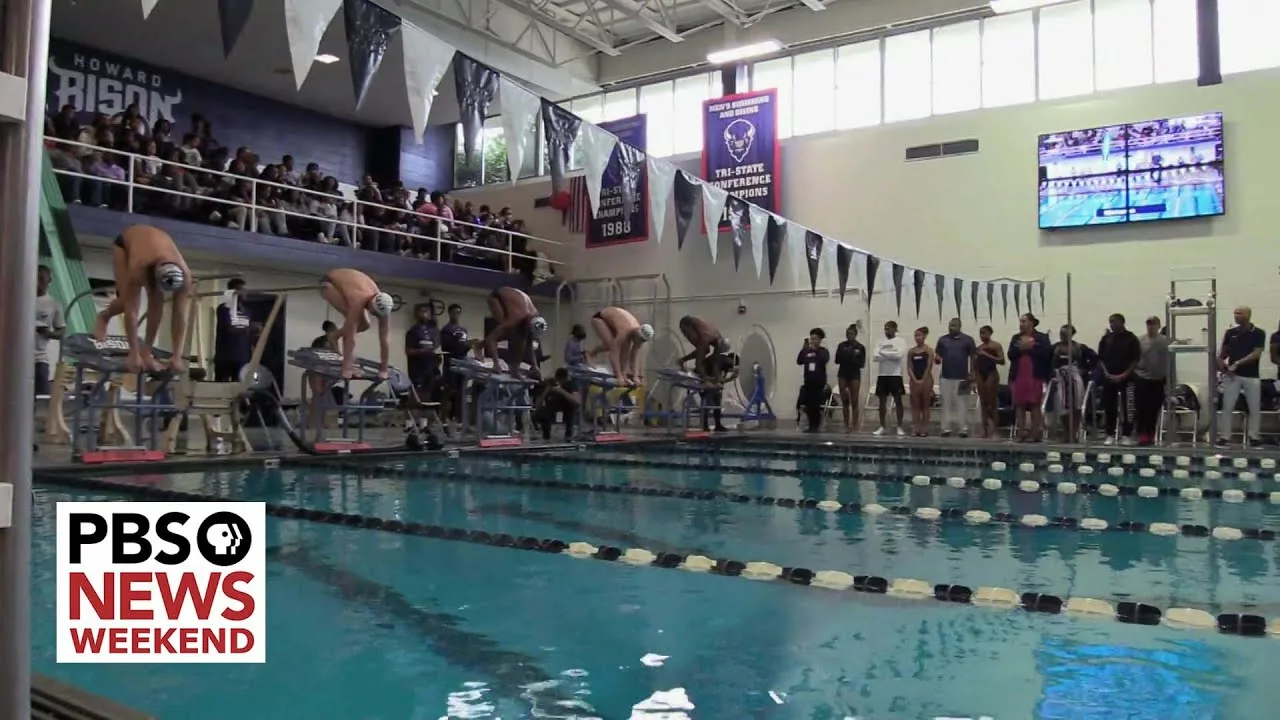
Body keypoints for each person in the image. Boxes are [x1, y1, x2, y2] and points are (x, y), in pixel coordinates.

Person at [93, 224, 193, 373]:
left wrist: (177, 356)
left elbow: (180, 317)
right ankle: (103, 317)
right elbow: (131, 311)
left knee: (156, 299)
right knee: (124, 301)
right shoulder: (140, 264)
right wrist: (133, 354)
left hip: (154, 246)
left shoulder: (185, 276)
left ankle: (147, 353)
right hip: (125, 245)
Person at [319, 268, 393, 380]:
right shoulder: (358, 299)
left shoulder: (384, 308)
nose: (374, 316)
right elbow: (350, 337)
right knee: (354, 323)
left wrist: (384, 369)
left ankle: (334, 336)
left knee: (365, 325)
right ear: (370, 304)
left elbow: (385, 341)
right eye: (373, 313)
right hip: (329, 283)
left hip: (350, 284)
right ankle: (336, 341)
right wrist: (347, 368)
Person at [1217, 306, 1266, 447]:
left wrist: (1238, 363)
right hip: (1233, 376)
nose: (1236, 316)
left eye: (1239, 313)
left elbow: (1256, 353)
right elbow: (1223, 354)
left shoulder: (1258, 333)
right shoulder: (1230, 333)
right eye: (1235, 313)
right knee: (1227, 406)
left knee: (1254, 407)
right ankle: (1225, 436)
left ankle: (1254, 436)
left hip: (1251, 376)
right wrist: (1222, 366)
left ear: (1248, 315)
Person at [1096, 313, 1141, 445]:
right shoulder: (1106, 339)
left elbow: (1135, 360)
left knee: (1129, 407)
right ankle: (1109, 433)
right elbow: (1101, 359)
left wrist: (1124, 374)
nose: (1112, 324)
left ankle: (1126, 433)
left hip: (1127, 378)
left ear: (1122, 323)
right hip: (1109, 377)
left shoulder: (1131, 339)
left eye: (1114, 322)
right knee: (1110, 406)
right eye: (1110, 322)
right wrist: (1106, 373)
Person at [1008, 313, 1052, 442]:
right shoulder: (1016, 338)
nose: (1021, 324)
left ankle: (1034, 432)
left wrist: (1029, 348)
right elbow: (1011, 355)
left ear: (1032, 322)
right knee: (1019, 405)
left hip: (1035, 375)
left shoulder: (1042, 338)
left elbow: (1046, 355)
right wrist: (1021, 349)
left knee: (1034, 404)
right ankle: (1020, 432)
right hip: (1019, 374)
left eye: (1024, 321)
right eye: (1020, 321)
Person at [484, 286, 546, 379]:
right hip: (497, 296)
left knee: (522, 338)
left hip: (517, 300)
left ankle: (515, 368)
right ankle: (479, 346)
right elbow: (492, 338)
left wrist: (535, 366)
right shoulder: (516, 317)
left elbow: (529, 345)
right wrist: (496, 363)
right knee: (504, 330)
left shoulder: (534, 318)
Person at [1050, 324, 1097, 442]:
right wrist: (1052, 374)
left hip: (1076, 380)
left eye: (1065, 334)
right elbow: (1047, 363)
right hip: (1060, 380)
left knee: (1076, 406)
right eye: (1061, 334)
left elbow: (1095, 360)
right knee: (1063, 406)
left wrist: (1085, 370)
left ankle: (1073, 433)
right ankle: (1066, 432)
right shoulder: (1055, 348)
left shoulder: (1080, 348)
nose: (1063, 336)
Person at [589, 306, 654, 385]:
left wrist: (635, 376)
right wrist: (619, 376)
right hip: (600, 318)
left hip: (614, 320)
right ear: (637, 334)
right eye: (639, 340)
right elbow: (613, 355)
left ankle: (622, 374)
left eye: (642, 341)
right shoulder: (624, 331)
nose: (639, 343)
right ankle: (590, 355)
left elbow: (634, 357)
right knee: (611, 345)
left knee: (625, 349)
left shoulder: (639, 337)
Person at [1134, 316, 1173, 446]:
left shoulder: (1164, 341)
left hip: (1159, 379)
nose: (1150, 327)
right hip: (1142, 377)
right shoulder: (1140, 340)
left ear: (1158, 325)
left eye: (1153, 324)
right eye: (1148, 324)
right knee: (1142, 408)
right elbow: (1134, 356)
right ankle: (1142, 434)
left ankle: (1150, 433)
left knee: (1154, 408)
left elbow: (1170, 359)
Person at [934, 318, 975, 437]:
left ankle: (963, 428)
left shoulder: (968, 340)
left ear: (960, 326)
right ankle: (945, 428)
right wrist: (937, 359)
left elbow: (973, 357)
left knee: (962, 403)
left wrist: (972, 372)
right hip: (946, 376)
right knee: (945, 403)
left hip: (962, 377)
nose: (951, 328)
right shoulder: (943, 340)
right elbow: (938, 356)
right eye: (950, 325)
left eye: (954, 325)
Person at [405, 303, 442, 432]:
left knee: (427, 395)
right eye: (421, 311)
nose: (424, 314)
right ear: (416, 314)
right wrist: (422, 351)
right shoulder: (413, 331)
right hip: (416, 368)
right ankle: (409, 423)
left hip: (430, 367)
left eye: (426, 311)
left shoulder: (433, 331)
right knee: (415, 395)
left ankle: (423, 423)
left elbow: (436, 347)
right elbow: (408, 351)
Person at [35, 265, 66, 398]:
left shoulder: (53, 304)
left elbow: (62, 331)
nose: (38, 282)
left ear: (49, 280)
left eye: (42, 279)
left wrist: (48, 333)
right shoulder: (18, 298)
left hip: (38, 358)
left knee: (41, 398)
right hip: (13, 357)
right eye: (36, 278)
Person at [872, 320, 907, 437]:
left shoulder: (900, 341)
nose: (886, 331)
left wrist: (883, 353)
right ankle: (882, 426)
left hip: (895, 375)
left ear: (894, 329)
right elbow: (875, 357)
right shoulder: (880, 341)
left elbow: (898, 355)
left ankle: (900, 426)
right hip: (882, 375)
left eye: (889, 328)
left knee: (898, 401)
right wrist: (890, 353)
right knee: (882, 402)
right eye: (885, 328)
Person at [213, 278, 251, 382]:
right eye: (240, 290)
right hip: (225, 356)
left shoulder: (246, 311)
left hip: (242, 356)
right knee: (221, 386)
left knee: (238, 387)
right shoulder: (224, 309)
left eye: (244, 290)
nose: (244, 293)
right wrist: (249, 329)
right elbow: (229, 330)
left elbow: (246, 332)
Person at [440, 303, 469, 431]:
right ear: (449, 313)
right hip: (451, 364)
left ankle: (460, 421)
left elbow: (464, 348)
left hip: (462, 363)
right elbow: (447, 347)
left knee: (461, 393)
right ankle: (444, 419)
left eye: (458, 312)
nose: (456, 315)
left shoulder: (463, 329)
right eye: (454, 312)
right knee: (449, 392)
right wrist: (462, 346)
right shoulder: (446, 330)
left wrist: (469, 346)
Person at [834, 323, 866, 433]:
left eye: (851, 333)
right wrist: (848, 355)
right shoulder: (841, 345)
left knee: (854, 400)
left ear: (855, 334)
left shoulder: (860, 347)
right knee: (844, 400)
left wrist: (850, 357)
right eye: (847, 333)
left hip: (854, 374)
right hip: (843, 374)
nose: (849, 335)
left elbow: (862, 363)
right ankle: (846, 425)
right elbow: (837, 360)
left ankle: (855, 425)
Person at [973, 325, 1005, 439]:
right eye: (981, 333)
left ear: (990, 333)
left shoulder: (996, 346)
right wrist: (973, 378)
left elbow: (1002, 361)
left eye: (984, 333)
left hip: (991, 373)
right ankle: (985, 430)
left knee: (992, 404)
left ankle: (995, 430)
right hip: (980, 374)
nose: (982, 336)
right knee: (983, 403)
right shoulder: (978, 348)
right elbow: (975, 364)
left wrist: (987, 355)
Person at [678, 315, 730, 382]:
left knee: (700, 368)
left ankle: (712, 381)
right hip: (721, 349)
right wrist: (683, 359)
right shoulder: (701, 327)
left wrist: (705, 379)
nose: (686, 337)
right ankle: (714, 379)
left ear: (691, 327)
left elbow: (699, 363)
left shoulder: (704, 336)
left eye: (686, 333)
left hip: (720, 352)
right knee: (702, 368)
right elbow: (705, 351)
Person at [797, 328, 830, 433]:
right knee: (808, 405)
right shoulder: (806, 351)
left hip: (819, 383)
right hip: (808, 382)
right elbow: (799, 361)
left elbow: (824, 360)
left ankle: (816, 426)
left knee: (816, 406)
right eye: (811, 339)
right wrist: (803, 349)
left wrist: (815, 350)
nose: (812, 341)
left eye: (814, 339)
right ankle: (811, 426)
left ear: (819, 340)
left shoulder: (823, 351)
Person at [535, 367, 581, 441]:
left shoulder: (571, 384)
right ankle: (546, 436)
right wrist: (547, 390)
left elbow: (576, 402)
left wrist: (561, 391)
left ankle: (568, 435)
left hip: (568, 405)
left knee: (571, 410)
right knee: (545, 412)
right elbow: (538, 405)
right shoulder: (550, 384)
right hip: (554, 404)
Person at [906, 327, 935, 437]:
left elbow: (929, 366)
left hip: (926, 380)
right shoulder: (911, 351)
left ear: (924, 336)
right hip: (914, 380)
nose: (917, 338)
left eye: (919, 335)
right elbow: (909, 367)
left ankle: (924, 428)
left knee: (925, 406)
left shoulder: (929, 351)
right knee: (915, 406)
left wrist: (922, 380)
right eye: (915, 335)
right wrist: (914, 379)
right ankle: (916, 427)